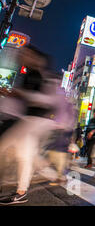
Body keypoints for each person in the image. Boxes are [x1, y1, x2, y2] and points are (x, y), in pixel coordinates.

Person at [0, 47, 64, 205]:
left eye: (26, 54)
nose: (22, 56)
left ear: (36, 58)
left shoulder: (40, 75)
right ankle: (24, 190)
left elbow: (49, 101)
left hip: (35, 121)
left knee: (5, 147)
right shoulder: (31, 73)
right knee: (25, 155)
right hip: (31, 120)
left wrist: (20, 93)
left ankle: (46, 172)